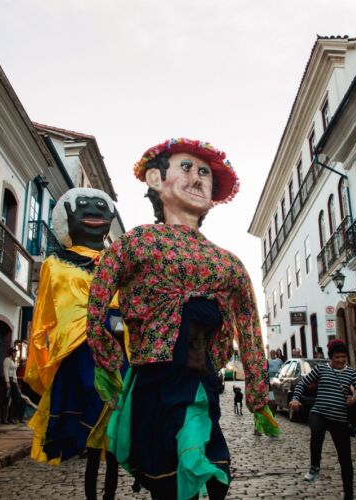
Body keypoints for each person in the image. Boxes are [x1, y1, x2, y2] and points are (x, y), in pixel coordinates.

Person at [86, 138, 278, 500]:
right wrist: (105, 355)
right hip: (153, 379)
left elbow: (250, 326)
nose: (198, 178)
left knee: (207, 466)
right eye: (186, 168)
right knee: (165, 480)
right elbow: (98, 296)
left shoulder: (228, 262)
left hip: (200, 380)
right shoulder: (136, 243)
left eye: (204, 172)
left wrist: (256, 390)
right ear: (157, 179)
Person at [24, 187, 125, 500]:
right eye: (83, 205)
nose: (93, 211)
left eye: (100, 205)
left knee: (112, 430)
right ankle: (93, 496)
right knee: (91, 432)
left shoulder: (119, 264)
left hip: (118, 353)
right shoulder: (54, 264)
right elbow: (41, 321)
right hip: (77, 354)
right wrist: (39, 370)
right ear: (67, 216)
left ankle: (108, 494)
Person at [290, 339, 356, 500]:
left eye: (343, 357)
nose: (340, 360)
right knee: (316, 430)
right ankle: (314, 466)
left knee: (345, 459)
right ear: (330, 357)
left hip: (339, 418)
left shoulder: (351, 373)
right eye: (337, 357)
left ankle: (349, 495)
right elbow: (302, 383)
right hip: (320, 412)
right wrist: (295, 398)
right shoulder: (321, 369)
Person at [1, 347, 21, 424]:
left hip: (14, 381)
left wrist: (17, 383)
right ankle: (4, 419)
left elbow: (14, 373)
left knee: (15, 399)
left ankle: (10, 418)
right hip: (9, 380)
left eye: (16, 352)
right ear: (11, 353)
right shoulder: (7, 360)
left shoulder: (13, 361)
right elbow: (5, 370)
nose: (16, 354)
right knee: (6, 399)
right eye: (14, 352)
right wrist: (7, 382)